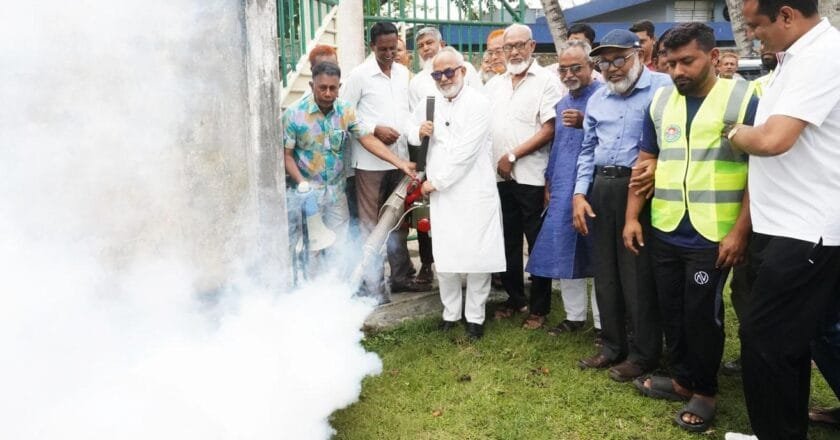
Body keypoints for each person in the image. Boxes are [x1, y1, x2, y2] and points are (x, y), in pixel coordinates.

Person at [625, 22, 757, 433]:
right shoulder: (662, 101)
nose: (678, 71)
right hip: (666, 225)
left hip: (713, 232)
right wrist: (632, 216)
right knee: (674, 309)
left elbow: (762, 173)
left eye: (687, 61)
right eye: (670, 63)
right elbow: (645, 161)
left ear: (713, 57)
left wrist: (740, 231)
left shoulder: (744, 98)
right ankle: (682, 378)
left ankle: (705, 391)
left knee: (703, 314)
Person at [721, 0, 840, 439]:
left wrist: (732, 132)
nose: (752, 34)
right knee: (801, 337)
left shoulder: (823, 56)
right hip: (786, 225)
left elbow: (772, 140)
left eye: (756, 25)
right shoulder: (797, 58)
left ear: (787, 15)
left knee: (767, 343)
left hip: (806, 229)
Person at [573, 29, 671, 382]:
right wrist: (579, 195)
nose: (612, 68)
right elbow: (586, 151)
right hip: (602, 187)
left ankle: (644, 354)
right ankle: (612, 346)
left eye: (619, 59)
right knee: (606, 272)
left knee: (637, 274)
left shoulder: (663, 88)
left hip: (642, 189)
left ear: (639, 55)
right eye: (604, 61)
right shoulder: (598, 98)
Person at [408, 47, 506, 341]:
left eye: (449, 72)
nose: (444, 78)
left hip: (473, 189)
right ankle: (451, 313)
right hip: (443, 194)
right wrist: (419, 130)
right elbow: (409, 130)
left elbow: (466, 152)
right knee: (446, 254)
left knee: (478, 257)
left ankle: (475, 317)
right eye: (437, 74)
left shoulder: (479, 103)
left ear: (462, 71)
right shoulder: (429, 101)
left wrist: (435, 182)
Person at [284, 62, 415, 269]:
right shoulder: (294, 114)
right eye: (322, 88)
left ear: (339, 86)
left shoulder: (345, 111)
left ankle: (338, 293)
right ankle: (312, 294)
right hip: (308, 196)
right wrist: (302, 183)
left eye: (333, 88)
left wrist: (400, 163)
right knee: (312, 249)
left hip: (337, 194)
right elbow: (287, 156)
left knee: (340, 247)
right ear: (311, 85)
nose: (328, 93)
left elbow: (367, 139)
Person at [341, 22, 428, 299]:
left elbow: (410, 114)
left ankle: (402, 276)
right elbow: (345, 116)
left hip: (400, 159)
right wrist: (375, 128)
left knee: (399, 221)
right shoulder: (359, 76)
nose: (390, 53)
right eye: (383, 49)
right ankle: (373, 284)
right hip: (369, 163)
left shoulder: (403, 74)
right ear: (372, 47)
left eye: (394, 48)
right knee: (371, 225)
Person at [485, 23, 563, 329]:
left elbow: (550, 127)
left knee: (537, 242)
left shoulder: (546, 81)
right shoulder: (495, 84)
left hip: (530, 176)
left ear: (532, 47)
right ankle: (516, 298)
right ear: (502, 51)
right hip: (499, 179)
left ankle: (540, 307)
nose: (514, 51)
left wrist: (513, 155)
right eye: (509, 47)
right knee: (507, 241)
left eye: (520, 45)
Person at [526, 40, 602, 340]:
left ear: (591, 67)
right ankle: (573, 317)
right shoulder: (562, 103)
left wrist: (587, 123)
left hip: (592, 189)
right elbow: (557, 146)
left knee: (595, 255)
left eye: (576, 68)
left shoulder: (603, 97)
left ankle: (602, 323)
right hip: (561, 187)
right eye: (563, 69)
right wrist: (549, 181)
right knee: (563, 252)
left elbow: (612, 138)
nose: (569, 74)